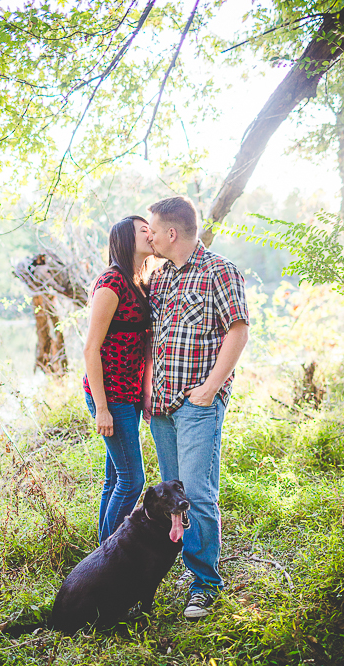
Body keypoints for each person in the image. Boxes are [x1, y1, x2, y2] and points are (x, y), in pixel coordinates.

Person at [145, 195, 249, 620]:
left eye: (151, 229)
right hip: (162, 406)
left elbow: (238, 332)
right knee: (173, 494)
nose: (148, 235)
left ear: (172, 232)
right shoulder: (161, 277)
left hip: (196, 405)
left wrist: (209, 388)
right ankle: (180, 567)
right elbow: (154, 338)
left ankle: (205, 584)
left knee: (197, 494)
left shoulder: (219, 271)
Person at [83, 215, 155, 546]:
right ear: (126, 240)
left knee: (115, 478)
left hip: (128, 394)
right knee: (132, 479)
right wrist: (101, 408)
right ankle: (108, 555)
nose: (151, 234)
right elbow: (90, 349)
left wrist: (144, 392)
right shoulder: (112, 284)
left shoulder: (140, 281)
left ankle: (99, 555)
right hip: (109, 395)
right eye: (144, 231)